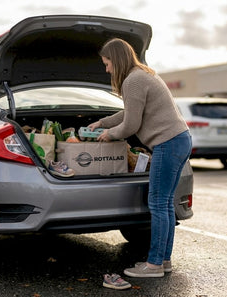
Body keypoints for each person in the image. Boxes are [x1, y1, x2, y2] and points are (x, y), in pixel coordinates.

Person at [88, 38, 191, 278]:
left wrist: (108, 134)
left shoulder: (132, 80)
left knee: (158, 204)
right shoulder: (143, 74)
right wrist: (103, 122)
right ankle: (163, 261)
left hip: (167, 143)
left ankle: (153, 265)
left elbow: (130, 125)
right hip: (179, 139)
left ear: (118, 59)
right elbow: (130, 112)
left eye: (108, 63)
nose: (107, 69)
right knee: (165, 204)